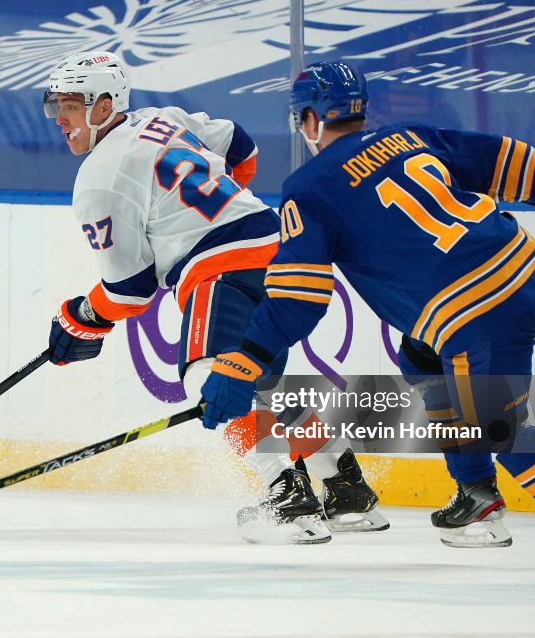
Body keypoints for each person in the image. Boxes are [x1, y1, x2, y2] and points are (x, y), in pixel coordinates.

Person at [200, 60, 535, 568]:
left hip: (476, 311)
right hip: (517, 267)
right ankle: (476, 494)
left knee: (497, 425)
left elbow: (298, 296)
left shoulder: (308, 189)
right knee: (421, 357)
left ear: (309, 120)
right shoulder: (409, 136)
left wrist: (245, 358)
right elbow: (504, 159)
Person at [43, 50, 389, 544]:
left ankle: (287, 497)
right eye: (55, 105)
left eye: (71, 105)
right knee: (265, 381)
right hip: (279, 248)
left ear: (103, 106)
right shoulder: (164, 119)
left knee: (212, 375)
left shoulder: (99, 180)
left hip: (224, 268)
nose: (60, 118)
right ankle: (347, 489)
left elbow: (130, 292)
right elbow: (241, 146)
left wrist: (79, 317)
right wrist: (225, 203)